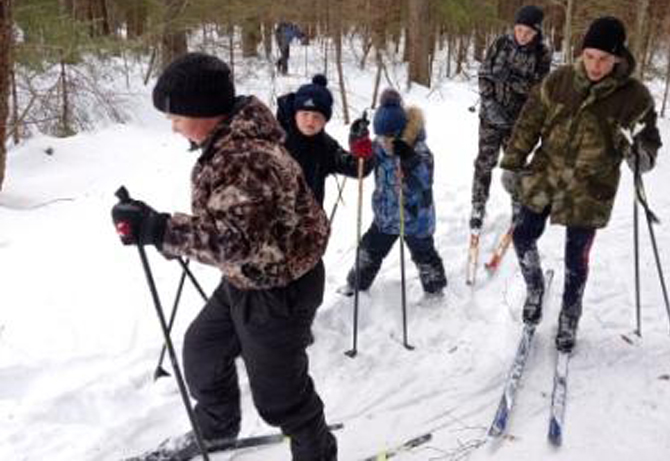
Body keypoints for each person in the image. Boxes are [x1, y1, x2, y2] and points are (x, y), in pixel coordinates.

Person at [110, 53, 337, 460]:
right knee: (202, 352)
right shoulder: (227, 143)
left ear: (205, 111)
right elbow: (229, 229)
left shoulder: (247, 158)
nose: (175, 127)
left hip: (279, 288)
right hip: (245, 278)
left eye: (177, 116)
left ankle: (317, 451)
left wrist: (160, 229)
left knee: (280, 398)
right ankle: (215, 430)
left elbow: (234, 242)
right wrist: (155, 226)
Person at [499, 17, 661, 353]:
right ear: (582, 52)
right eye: (589, 56)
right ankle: (535, 288)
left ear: (618, 58)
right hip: (546, 174)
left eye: (604, 59)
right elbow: (529, 123)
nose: (595, 66)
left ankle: (570, 313)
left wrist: (641, 156)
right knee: (523, 234)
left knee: (577, 256)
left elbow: (648, 140)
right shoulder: (559, 81)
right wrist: (513, 162)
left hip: (591, 186)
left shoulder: (634, 97)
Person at [343, 88, 447, 297]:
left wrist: (410, 163)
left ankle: (435, 290)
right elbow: (364, 158)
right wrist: (357, 141)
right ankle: (355, 285)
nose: (385, 142)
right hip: (385, 216)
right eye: (381, 137)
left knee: (424, 254)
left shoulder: (419, 150)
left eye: (390, 137)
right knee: (369, 250)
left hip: (416, 219)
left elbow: (425, 180)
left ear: (401, 132)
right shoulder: (380, 145)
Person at [471, 4, 552, 232]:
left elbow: (539, 91)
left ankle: (518, 206)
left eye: (528, 32)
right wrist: (489, 102)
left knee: (515, 165)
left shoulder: (542, 54)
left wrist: (512, 80)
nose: (522, 36)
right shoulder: (500, 43)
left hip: (519, 122)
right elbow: (484, 74)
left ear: (536, 32)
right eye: (518, 30)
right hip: (491, 116)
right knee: (484, 162)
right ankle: (478, 205)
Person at [276, 74, 374, 208]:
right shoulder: (274, 139)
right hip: (274, 221)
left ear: (325, 121)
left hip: (310, 223)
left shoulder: (325, 146)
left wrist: (358, 143)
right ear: (295, 113)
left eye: (317, 116)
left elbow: (358, 168)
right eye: (305, 114)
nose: (310, 121)